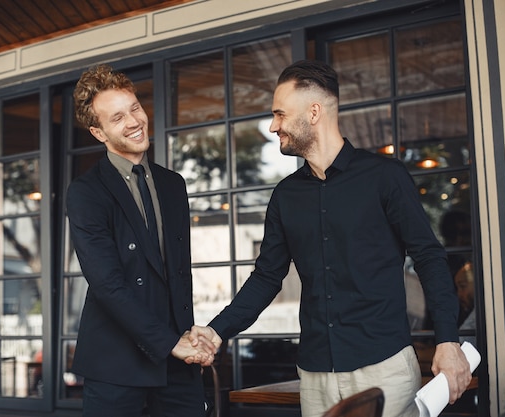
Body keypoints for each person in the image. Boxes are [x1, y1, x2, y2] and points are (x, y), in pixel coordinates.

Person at [188, 59, 472, 417]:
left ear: (314, 111)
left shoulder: (385, 177)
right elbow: (266, 278)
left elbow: (429, 257)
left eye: (279, 114)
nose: (273, 126)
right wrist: (216, 332)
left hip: (384, 368)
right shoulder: (285, 197)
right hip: (315, 376)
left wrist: (448, 341)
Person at [67, 64, 215, 417]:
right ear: (98, 132)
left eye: (134, 108)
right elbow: (108, 284)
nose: (134, 121)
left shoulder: (172, 184)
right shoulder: (86, 193)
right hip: (116, 363)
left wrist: (189, 340)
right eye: (117, 118)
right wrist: (171, 344)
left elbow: (178, 274)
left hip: (177, 361)